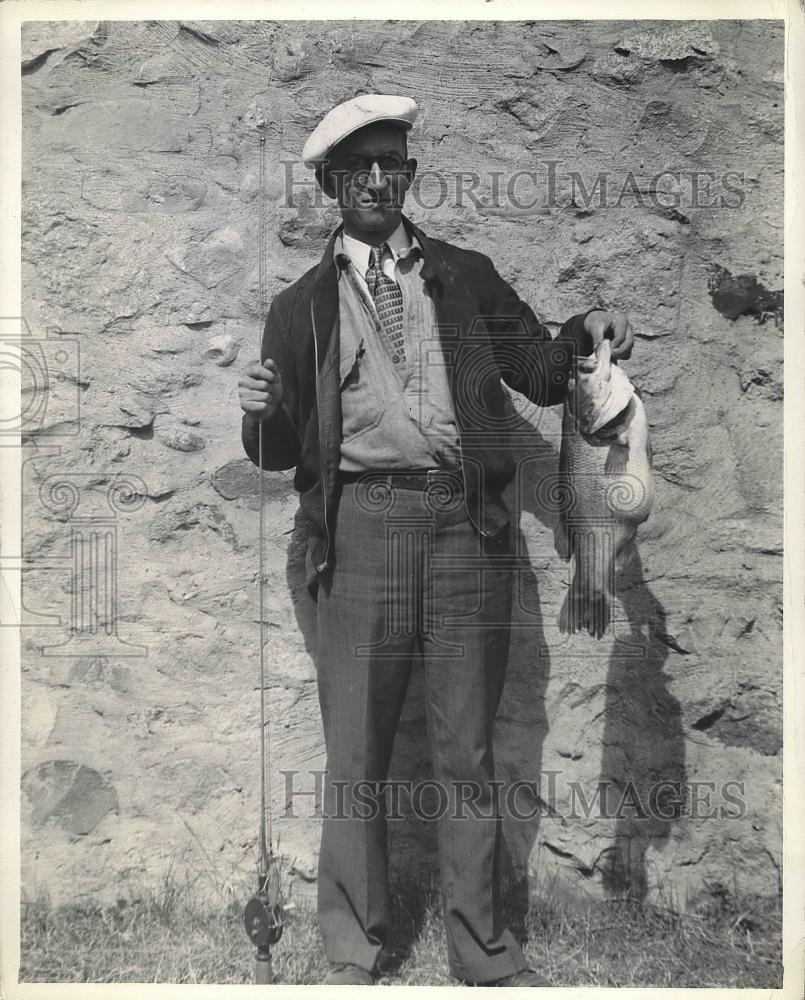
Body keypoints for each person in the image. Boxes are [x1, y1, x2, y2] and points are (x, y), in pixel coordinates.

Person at [239, 94, 635, 987]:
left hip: (465, 534)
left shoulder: (464, 274)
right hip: (359, 534)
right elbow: (277, 454)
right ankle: (353, 942)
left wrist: (584, 334)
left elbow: (538, 371)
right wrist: (255, 414)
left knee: (466, 753)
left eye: (395, 168)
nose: (379, 183)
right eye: (360, 171)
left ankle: (484, 950)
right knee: (357, 752)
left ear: (409, 177)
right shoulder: (298, 308)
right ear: (333, 186)